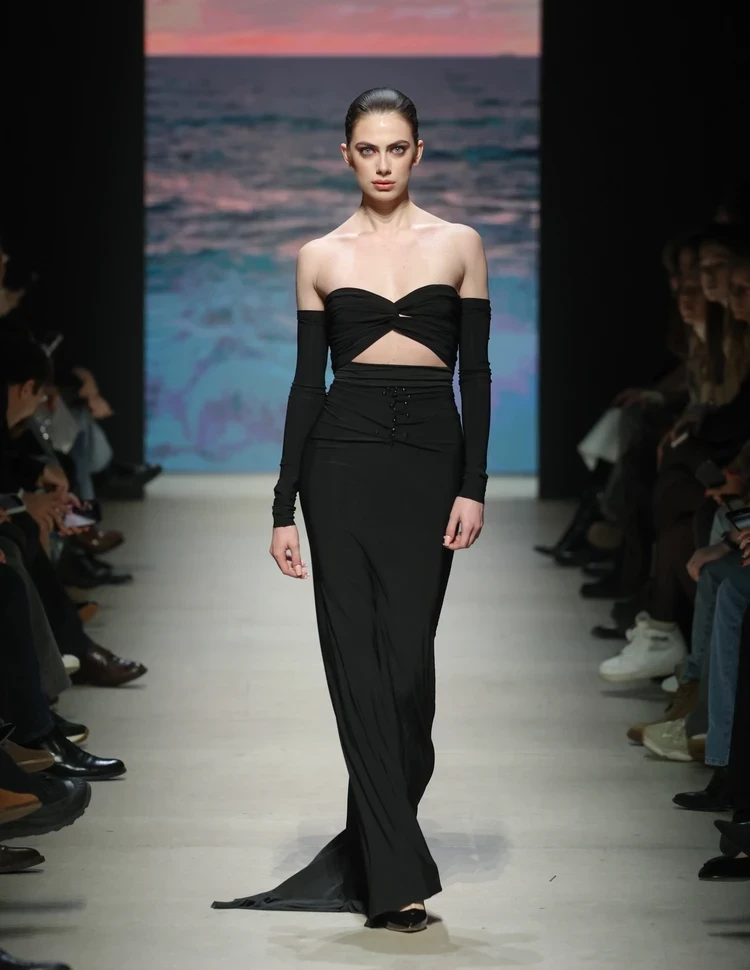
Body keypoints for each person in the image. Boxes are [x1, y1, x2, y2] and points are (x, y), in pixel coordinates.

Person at [213, 88, 491, 933]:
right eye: (368, 149)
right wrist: (282, 506)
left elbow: (475, 376)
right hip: (339, 468)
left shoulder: (461, 244)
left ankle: (376, 845)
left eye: (396, 148)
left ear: (419, 152)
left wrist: (474, 485)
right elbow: (307, 387)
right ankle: (396, 878)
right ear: (345, 155)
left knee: (408, 673)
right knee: (358, 672)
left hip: (429, 467)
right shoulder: (319, 256)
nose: (382, 164)